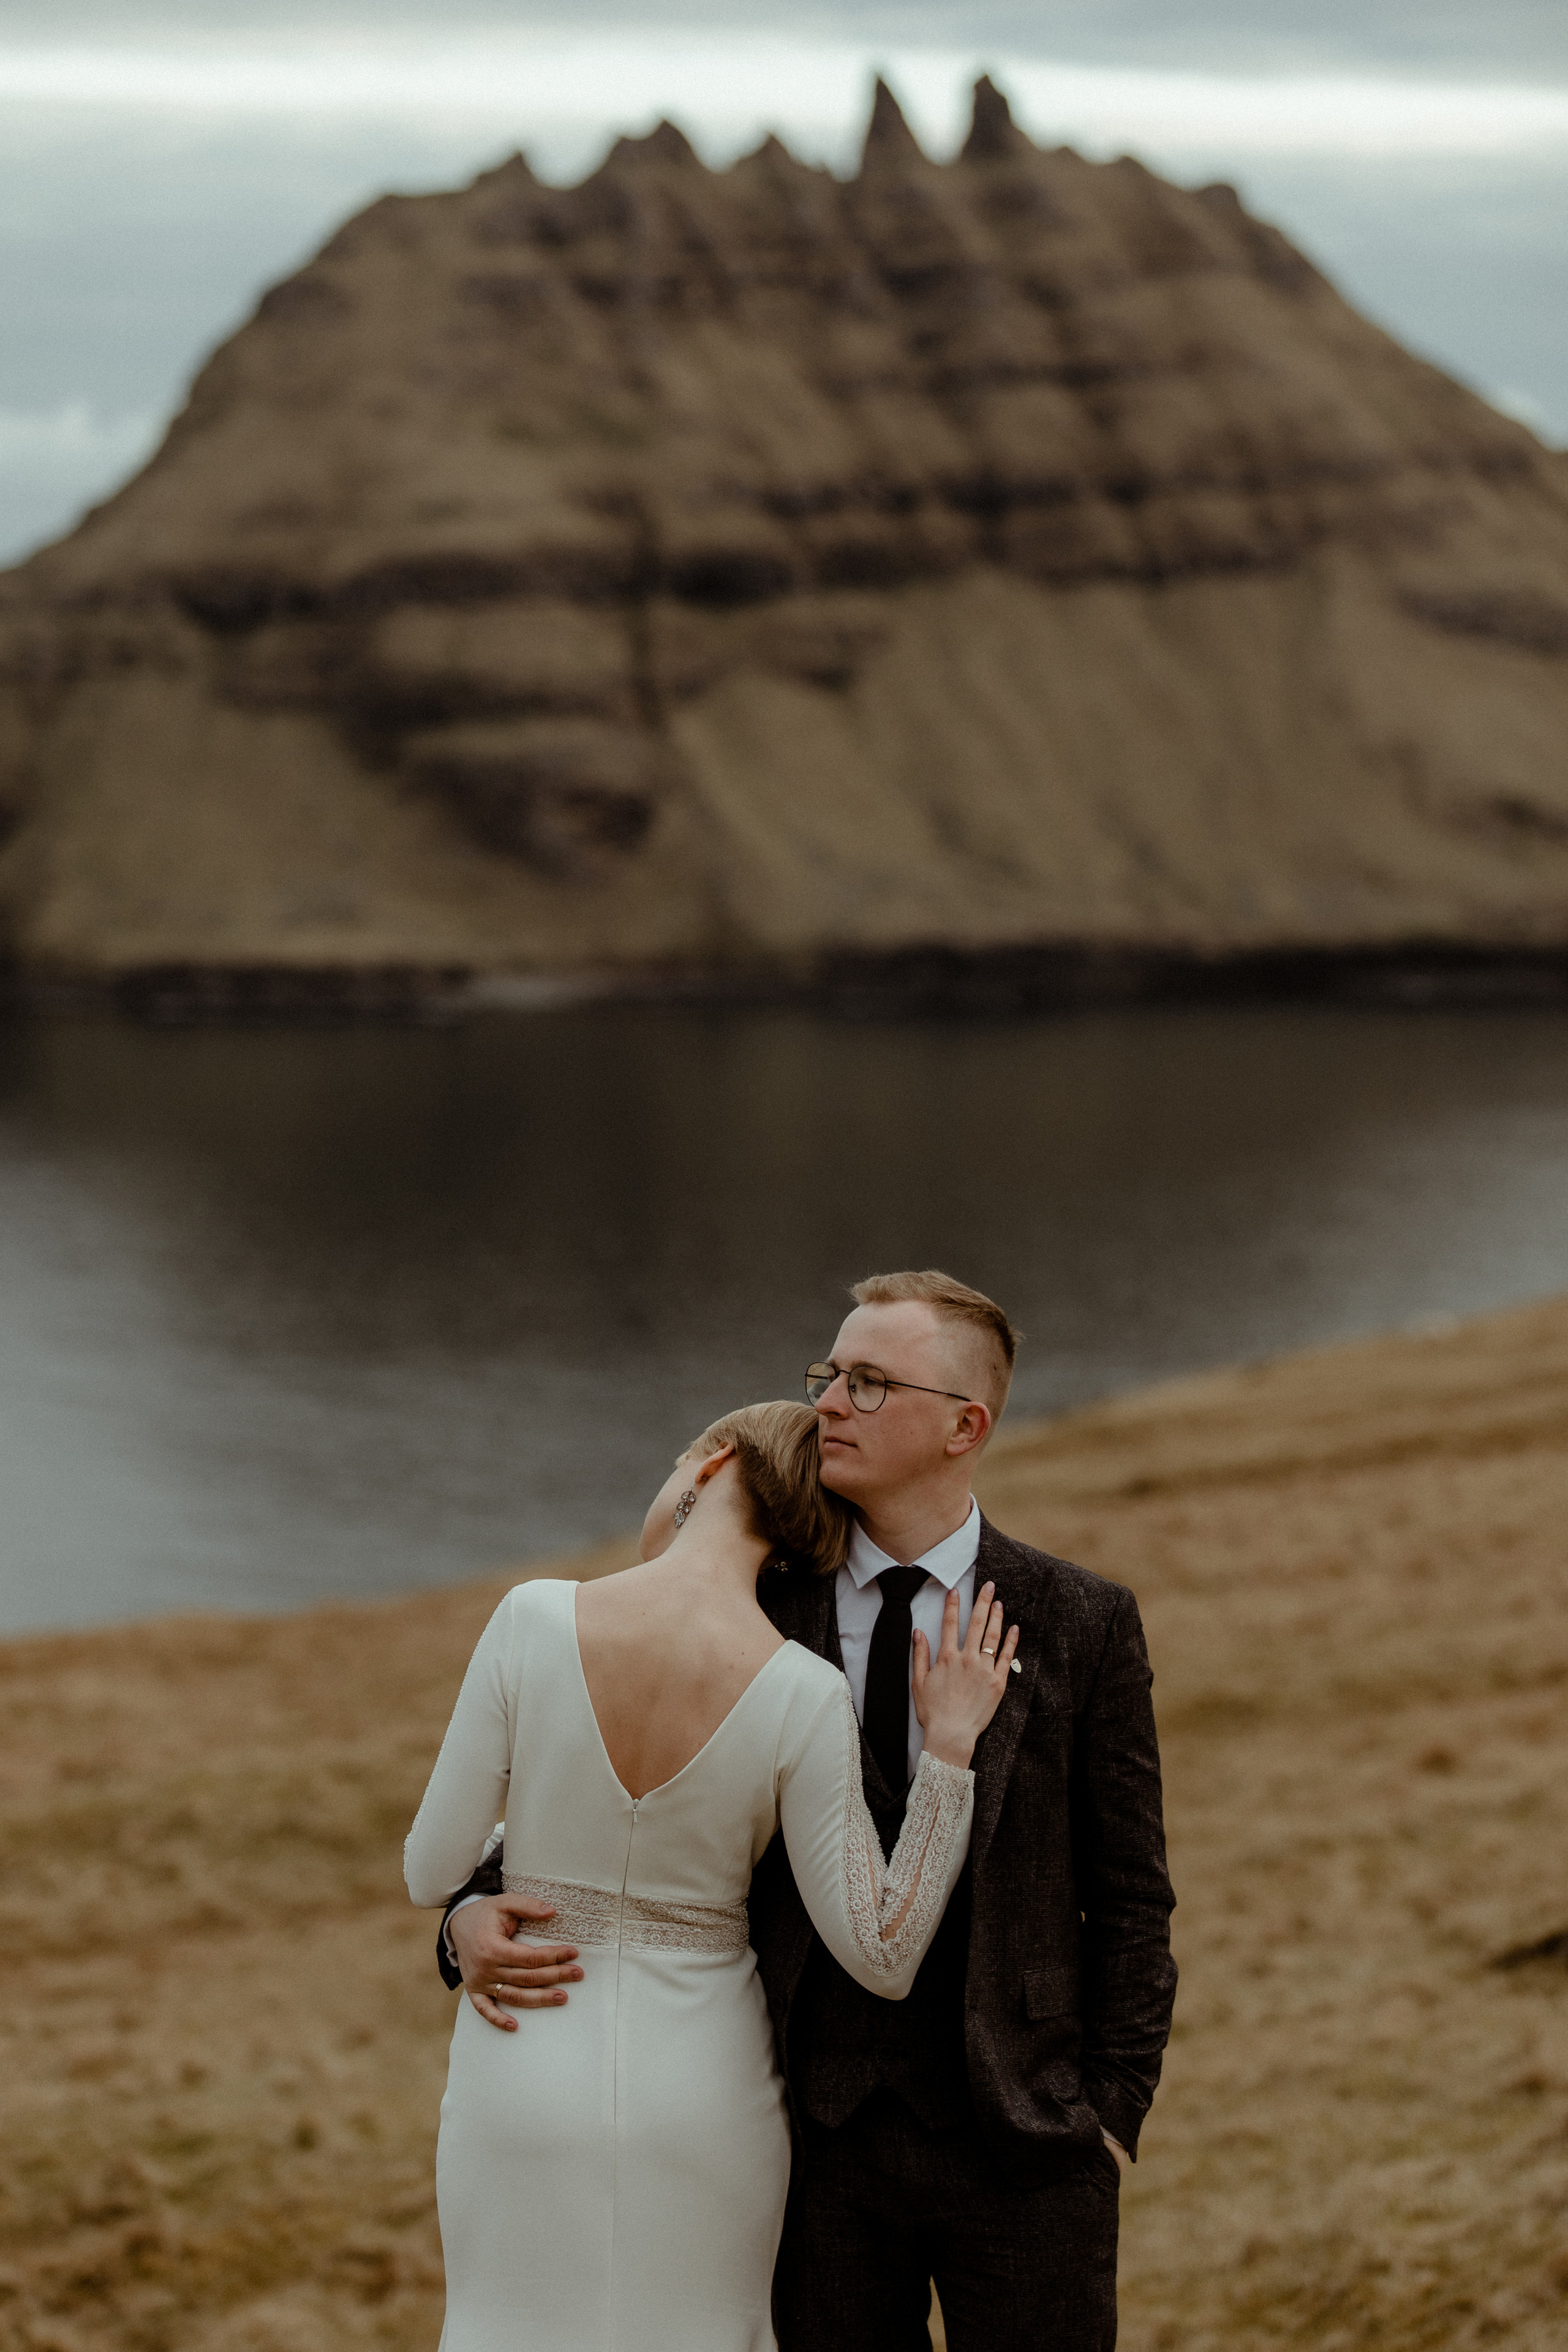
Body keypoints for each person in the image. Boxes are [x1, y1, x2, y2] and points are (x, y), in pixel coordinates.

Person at [440, 1269, 1177, 2352]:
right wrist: (466, 1914)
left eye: (872, 1383)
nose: (830, 1401)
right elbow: (596, 1781)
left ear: (964, 1424)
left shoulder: (1081, 1620)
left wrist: (1106, 2111)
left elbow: (1130, 1896)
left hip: (1025, 2143)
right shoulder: (752, 1604)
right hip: (803, 2145)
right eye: (830, 1374)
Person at [405, 1396, 1018, 2352]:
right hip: (703, 2085)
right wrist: (948, 1752)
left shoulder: (530, 1616)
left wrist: (476, 1904)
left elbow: (429, 1867)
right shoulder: (804, 1690)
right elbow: (885, 1951)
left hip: (523, 2051)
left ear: (710, 1465)